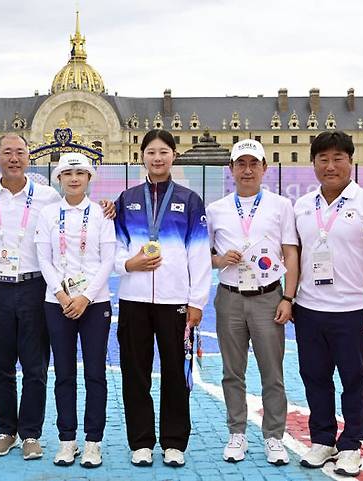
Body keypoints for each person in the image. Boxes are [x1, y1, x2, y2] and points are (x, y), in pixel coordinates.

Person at [0, 134, 115, 460]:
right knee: (1, 365)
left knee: (36, 365)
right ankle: (6, 430)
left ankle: (31, 434)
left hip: (37, 287)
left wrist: (110, 205)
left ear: (29, 158)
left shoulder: (48, 197)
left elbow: (81, 210)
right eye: (6, 153)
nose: (13, 158)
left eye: (20, 153)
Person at [294, 131, 363, 477]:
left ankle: (351, 444)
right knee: (314, 377)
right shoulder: (303, 205)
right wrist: (290, 300)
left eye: (338, 158)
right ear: (314, 164)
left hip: (353, 311)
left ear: (351, 161)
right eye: (323, 159)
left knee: (353, 379)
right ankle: (322, 439)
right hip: (308, 309)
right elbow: (295, 256)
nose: (330, 166)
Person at [113, 129, 212, 467]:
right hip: (134, 300)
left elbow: (199, 254)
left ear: (174, 156)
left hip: (176, 303)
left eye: (164, 152)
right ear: (142, 156)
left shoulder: (190, 199)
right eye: (151, 152)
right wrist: (130, 264)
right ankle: (140, 442)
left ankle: (173, 442)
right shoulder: (126, 200)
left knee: (175, 372)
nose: (157, 158)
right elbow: (114, 249)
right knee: (135, 372)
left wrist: (197, 301)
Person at [206, 139, 298, 466]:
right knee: (233, 372)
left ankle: (274, 437)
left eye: (253, 164)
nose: (247, 170)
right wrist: (219, 260)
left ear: (264, 169)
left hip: (268, 298)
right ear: (231, 170)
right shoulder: (215, 209)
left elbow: (290, 252)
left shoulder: (281, 206)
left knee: (272, 372)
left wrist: (288, 297)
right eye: (240, 164)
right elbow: (204, 255)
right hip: (229, 298)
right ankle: (237, 432)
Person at [34, 153, 116, 468]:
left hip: (94, 304)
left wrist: (85, 297)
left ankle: (93, 442)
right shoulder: (48, 214)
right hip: (57, 304)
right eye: (67, 173)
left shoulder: (101, 213)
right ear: (58, 179)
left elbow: (107, 260)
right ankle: (67, 441)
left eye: (80, 173)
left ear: (89, 178)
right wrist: (61, 294)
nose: (73, 178)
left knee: (96, 374)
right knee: (64, 375)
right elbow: (44, 258)